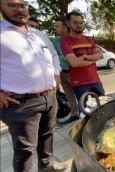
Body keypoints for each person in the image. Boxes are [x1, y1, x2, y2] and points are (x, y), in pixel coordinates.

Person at [0, 0, 67, 171]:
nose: (19, 9)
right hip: (21, 104)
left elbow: (52, 55)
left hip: (49, 98)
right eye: (12, 5)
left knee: (47, 138)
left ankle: (47, 168)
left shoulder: (38, 34)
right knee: (25, 151)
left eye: (22, 5)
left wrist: (56, 74)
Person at [60, 11, 105, 124]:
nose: (79, 25)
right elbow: (74, 63)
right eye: (75, 22)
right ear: (68, 23)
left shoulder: (88, 39)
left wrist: (84, 57)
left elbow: (101, 55)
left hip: (95, 80)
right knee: (85, 111)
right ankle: (88, 131)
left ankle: (103, 125)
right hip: (79, 83)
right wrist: (93, 59)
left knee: (103, 105)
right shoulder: (65, 41)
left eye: (81, 22)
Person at [52, 18, 80, 126]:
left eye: (57, 26)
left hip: (73, 71)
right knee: (69, 95)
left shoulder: (72, 39)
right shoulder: (55, 41)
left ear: (64, 28)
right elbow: (52, 55)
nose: (55, 28)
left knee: (80, 94)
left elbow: (74, 58)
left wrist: (62, 57)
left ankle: (85, 114)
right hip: (60, 73)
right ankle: (75, 114)